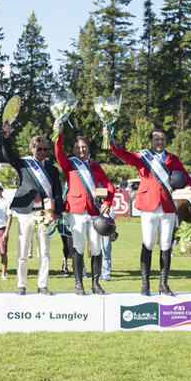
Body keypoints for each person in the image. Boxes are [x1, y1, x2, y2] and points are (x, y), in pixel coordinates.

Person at [107, 127, 191, 295]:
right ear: (151, 141)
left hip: (167, 206)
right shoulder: (143, 157)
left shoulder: (172, 158)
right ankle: (145, 283)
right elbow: (121, 153)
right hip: (148, 206)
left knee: (166, 245)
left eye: (162, 139)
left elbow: (187, 178)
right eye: (156, 139)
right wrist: (110, 138)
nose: (160, 142)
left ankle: (163, 285)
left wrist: (187, 188)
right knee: (148, 243)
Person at [2, 122, 63, 296]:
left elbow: (57, 191)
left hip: (44, 213)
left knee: (44, 251)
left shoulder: (52, 169)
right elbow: (8, 154)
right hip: (25, 212)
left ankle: (42, 285)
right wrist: (6, 136)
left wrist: (57, 212)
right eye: (39, 149)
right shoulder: (24, 164)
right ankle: (21, 285)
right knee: (22, 251)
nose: (42, 152)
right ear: (31, 149)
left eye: (45, 149)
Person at [54, 125, 115, 295]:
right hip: (76, 211)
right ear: (73, 149)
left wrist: (108, 201)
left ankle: (95, 283)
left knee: (96, 248)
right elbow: (58, 152)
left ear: (88, 148)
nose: (81, 149)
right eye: (78, 147)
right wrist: (59, 132)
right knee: (78, 248)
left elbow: (110, 185)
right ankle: (78, 283)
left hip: (94, 212)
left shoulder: (96, 168)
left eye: (84, 146)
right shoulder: (69, 165)